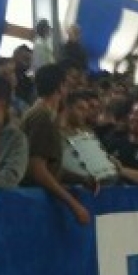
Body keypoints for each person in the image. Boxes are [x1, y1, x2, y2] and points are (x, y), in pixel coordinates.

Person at [21, 63, 90, 225]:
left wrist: (81, 179)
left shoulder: (36, 113)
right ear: (60, 87)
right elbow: (37, 169)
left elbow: (50, 165)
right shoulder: (43, 118)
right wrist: (73, 204)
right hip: (34, 202)